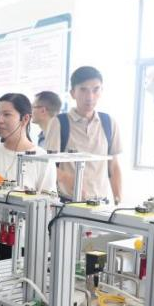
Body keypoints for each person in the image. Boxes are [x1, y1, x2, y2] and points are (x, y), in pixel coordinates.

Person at [45, 66, 123, 203]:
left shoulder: (109, 122)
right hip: (68, 203)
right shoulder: (59, 123)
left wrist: (118, 199)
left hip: (100, 203)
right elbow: (48, 165)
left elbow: (114, 165)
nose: (90, 97)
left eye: (95, 89)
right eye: (83, 90)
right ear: (73, 93)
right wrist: (67, 179)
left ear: (102, 91)